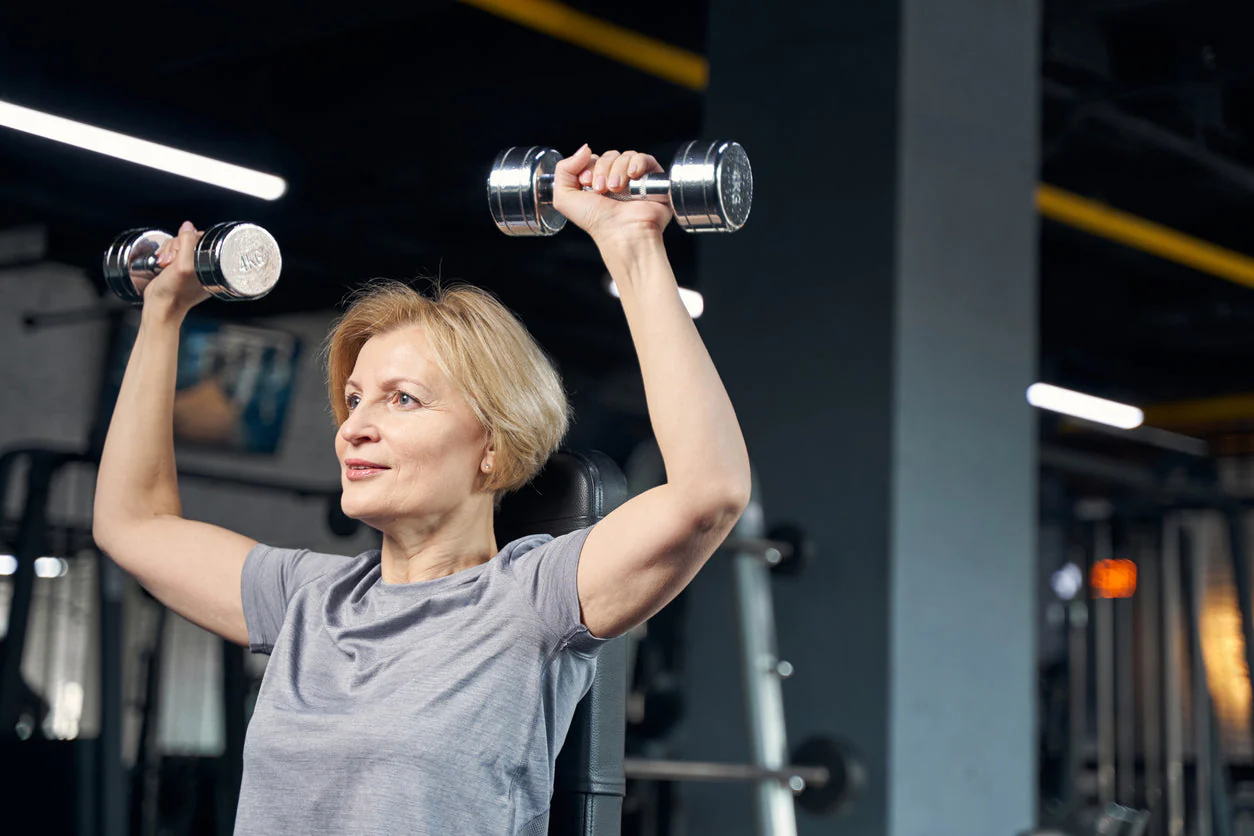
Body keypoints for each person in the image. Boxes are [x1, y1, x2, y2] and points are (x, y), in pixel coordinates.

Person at [93, 145, 752, 834]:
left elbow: (709, 491)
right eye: (354, 401)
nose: (355, 429)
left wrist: (632, 244)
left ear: (491, 447)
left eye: (402, 400)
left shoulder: (530, 600)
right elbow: (129, 523)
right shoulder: (307, 603)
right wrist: (162, 317)